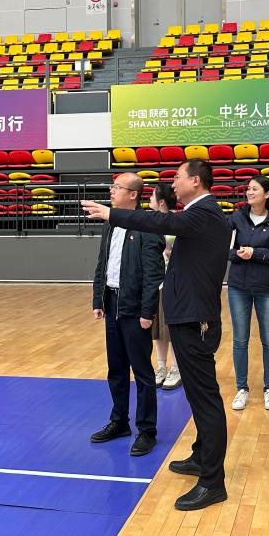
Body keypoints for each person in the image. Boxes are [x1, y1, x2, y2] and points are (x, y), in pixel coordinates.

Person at [82, 159, 231, 512]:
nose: (172, 184)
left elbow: (161, 222)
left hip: (196, 321)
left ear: (196, 181)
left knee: (206, 401)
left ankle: (213, 482)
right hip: (187, 317)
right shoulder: (200, 213)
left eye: (178, 177)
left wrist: (112, 214)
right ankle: (201, 456)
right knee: (196, 396)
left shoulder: (205, 212)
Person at [89, 173, 165, 457]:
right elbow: (102, 263)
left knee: (142, 372)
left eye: (117, 187)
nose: (111, 191)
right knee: (116, 368)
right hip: (112, 303)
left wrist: (148, 311)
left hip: (135, 309)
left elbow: (154, 273)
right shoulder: (110, 223)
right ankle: (119, 421)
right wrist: (98, 298)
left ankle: (147, 430)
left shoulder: (148, 226)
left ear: (133, 195)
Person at [228, 175, 269, 412]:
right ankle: (241, 389)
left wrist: (256, 253)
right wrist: (238, 253)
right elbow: (225, 249)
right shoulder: (236, 217)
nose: (249, 192)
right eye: (248, 188)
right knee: (240, 340)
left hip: (266, 289)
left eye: (255, 189)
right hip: (238, 287)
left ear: (267, 194)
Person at [149, 182, 181, 391]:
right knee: (158, 329)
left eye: (152, 196)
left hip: (173, 284)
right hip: (154, 283)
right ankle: (161, 366)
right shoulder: (150, 223)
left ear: (161, 202)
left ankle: (177, 368)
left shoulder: (176, 223)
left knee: (173, 329)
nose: (149, 200)